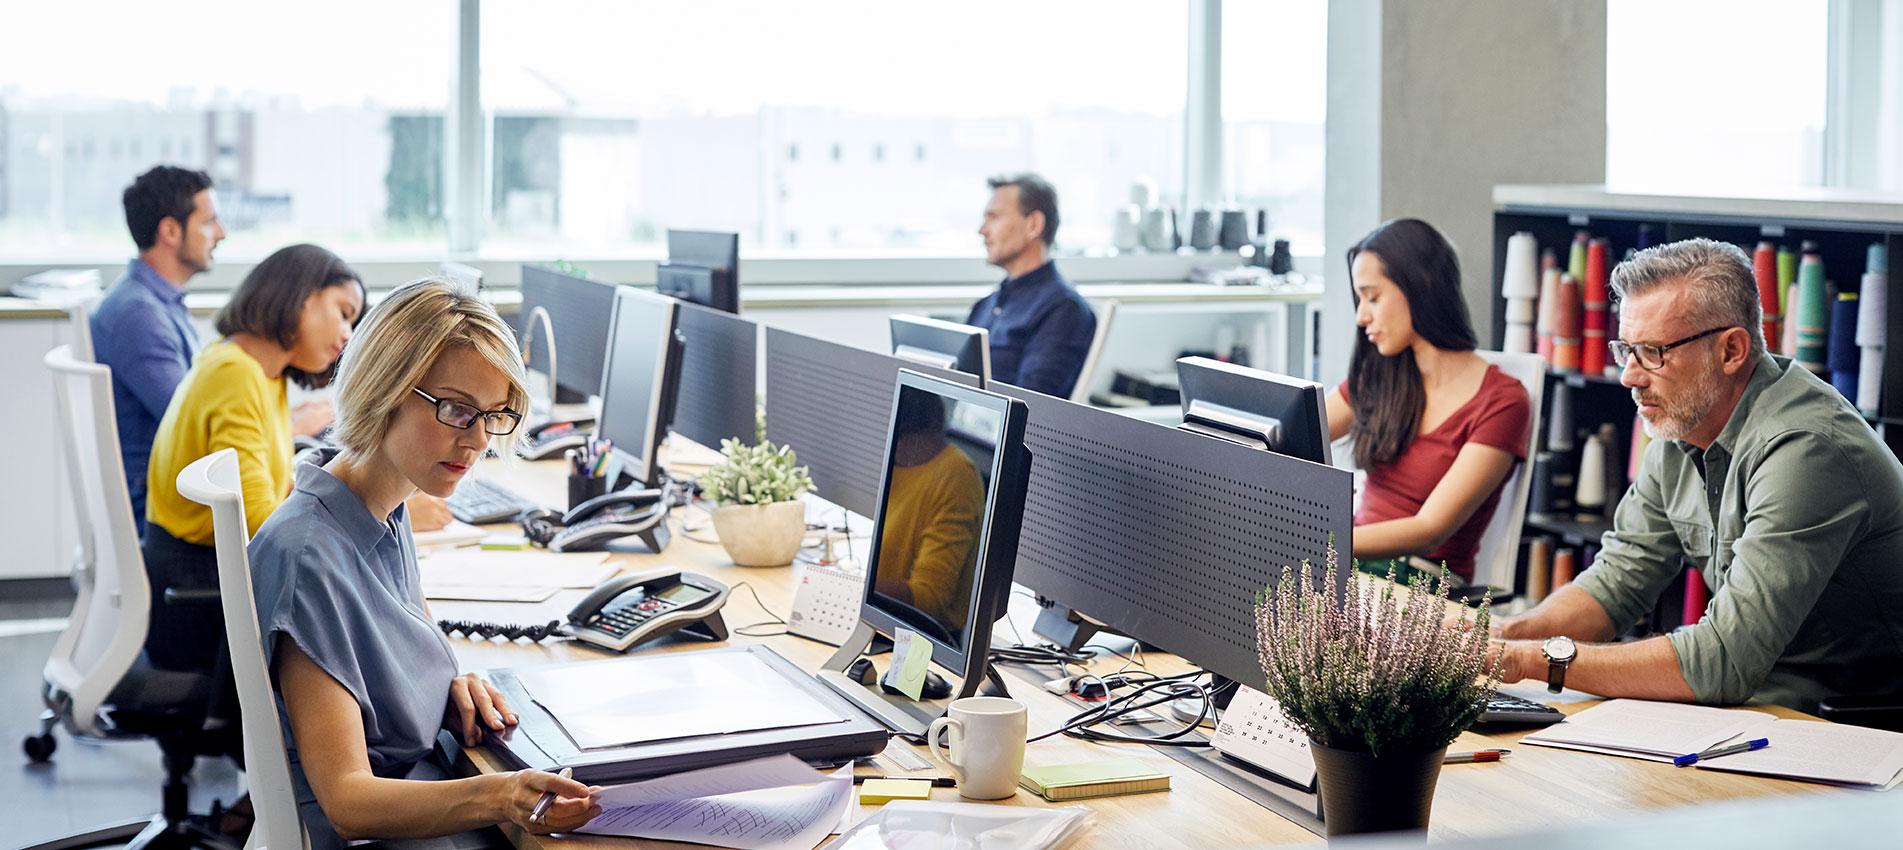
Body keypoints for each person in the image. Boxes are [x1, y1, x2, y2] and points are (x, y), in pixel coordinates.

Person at [249, 278, 598, 846]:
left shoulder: (385, 502)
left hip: (416, 792)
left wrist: (448, 685)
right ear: (384, 388)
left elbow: (397, 651)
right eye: (457, 410)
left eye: (494, 414)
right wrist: (503, 795)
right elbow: (348, 801)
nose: (478, 440)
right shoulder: (308, 557)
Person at [1486, 238, 1903, 714]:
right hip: (1757, 707)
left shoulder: (1806, 448)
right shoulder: (1682, 426)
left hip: (1850, 723)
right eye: (1626, 350)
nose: (1629, 376)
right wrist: (1498, 637)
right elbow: (1617, 580)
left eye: (1653, 352)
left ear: (1731, 350)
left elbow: (1723, 660)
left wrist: (1528, 661)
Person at [142, 244, 366, 673]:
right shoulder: (236, 374)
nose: (347, 335)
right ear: (302, 295)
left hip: (213, 584)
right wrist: (365, 517)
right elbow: (262, 525)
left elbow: (273, 491)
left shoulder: (260, 372)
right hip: (198, 604)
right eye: (343, 313)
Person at [1325, 218, 1531, 584]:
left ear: (1421, 284)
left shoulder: (1503, 402)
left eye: (1373, 297)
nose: (1361, 316)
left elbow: (1430, 530)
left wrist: (1322, 543)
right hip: (1352, 567)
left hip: (1424, 583)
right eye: (1360, 299)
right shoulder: (1381, 377)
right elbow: (1294, 434)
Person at [966, 173, 1097, 397]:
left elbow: (1031, 405)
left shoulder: (1063, 310)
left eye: (994, 217)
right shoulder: (985, 305)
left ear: (1033, 225)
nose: (982, 230)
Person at [872, 389, 986, 630]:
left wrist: (857, 584)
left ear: (902, 439)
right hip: (875, 617)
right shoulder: (895, 462)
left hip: (912, 632)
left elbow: (929, 600)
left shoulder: (956, 475)